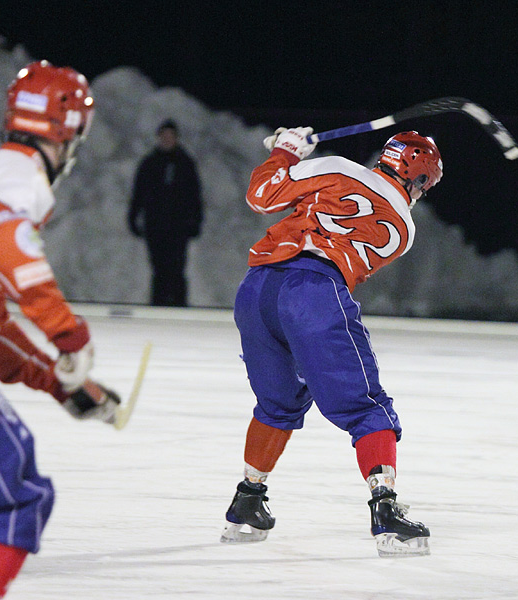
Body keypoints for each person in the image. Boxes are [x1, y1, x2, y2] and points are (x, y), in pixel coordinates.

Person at [221, 127, 442, 557]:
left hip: (257, 289)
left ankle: (248, 498)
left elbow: (262, 196)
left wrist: (286, 153)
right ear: (418, 180)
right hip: (316, 291)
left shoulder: (339, 168)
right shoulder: (404, 228)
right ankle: (385, 508)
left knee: (277, 403)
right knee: (365, 405)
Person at [0, 60, 120, 600]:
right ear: (69, 132)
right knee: (13, 498)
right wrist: (68, 334)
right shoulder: (16, 181)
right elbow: (10, 247)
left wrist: (60, 384)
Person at [127, 119, 203, 307]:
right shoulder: (150, 163)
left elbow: (195, 195)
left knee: (177, 266)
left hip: (179, 226)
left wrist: (196, 221)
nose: (167, 139)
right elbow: (138, 193)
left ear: (176, 138)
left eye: (171, 136)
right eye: (164, 136)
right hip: (155, 225)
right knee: (159, 267)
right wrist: (133, 218)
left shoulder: (185, 163)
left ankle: (179, 304)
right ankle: (158, 304)